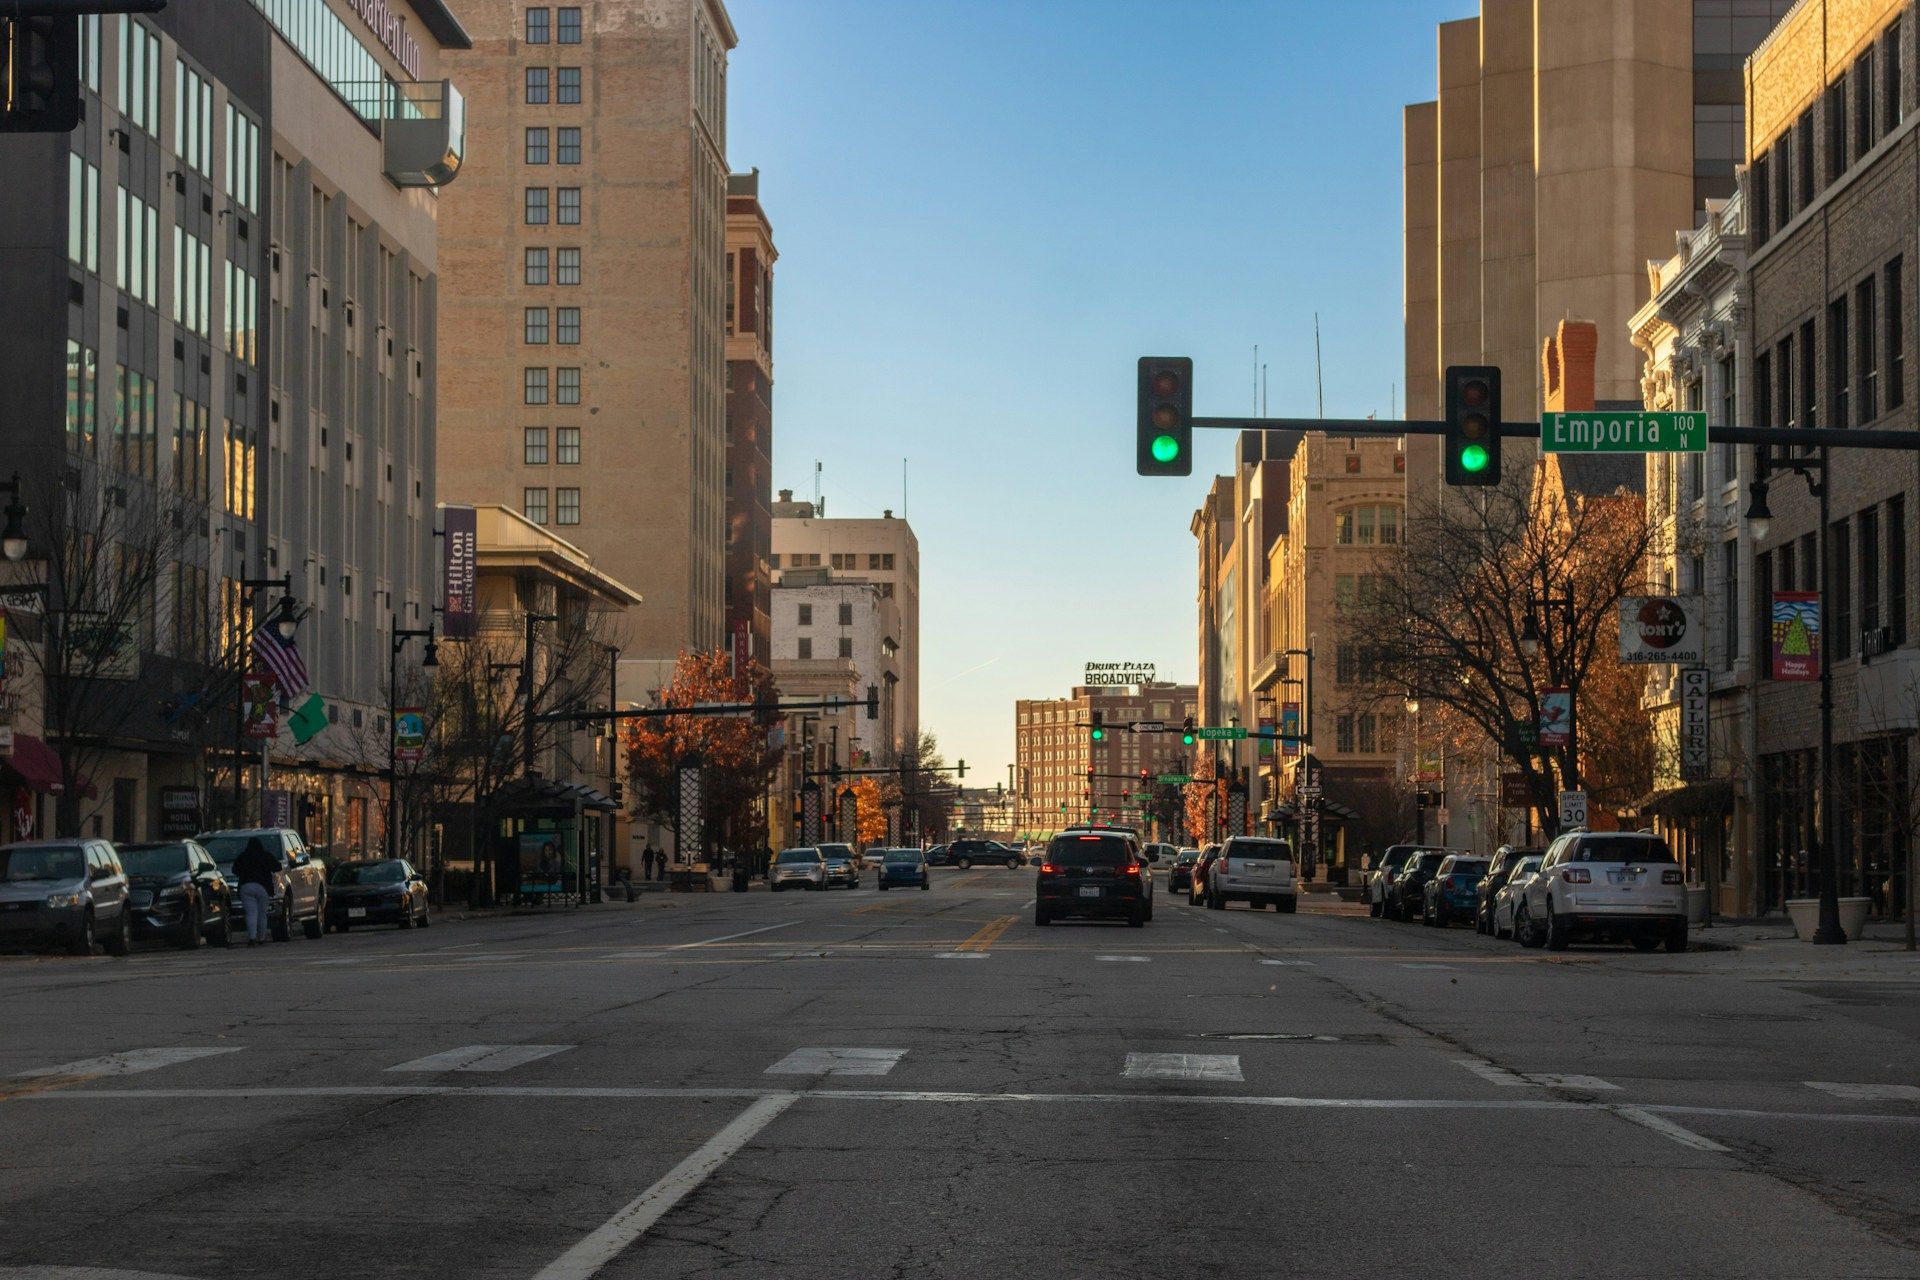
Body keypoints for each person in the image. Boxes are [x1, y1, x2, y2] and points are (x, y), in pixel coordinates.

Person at [233, 836, 278, 946]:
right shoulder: (265, 856)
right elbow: (278, 866)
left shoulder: (243, 856)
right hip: (263, 887)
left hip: (246, 886)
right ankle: (261, 938)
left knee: (251, 913)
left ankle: (252, 938)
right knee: (262, 914)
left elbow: (234, 870)